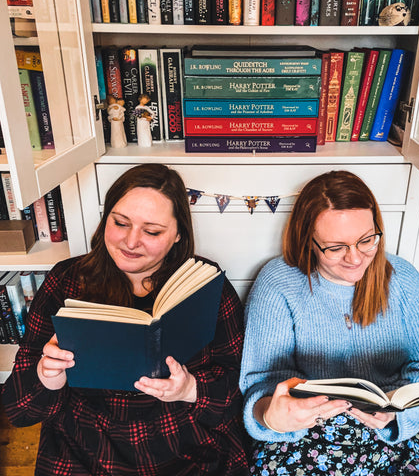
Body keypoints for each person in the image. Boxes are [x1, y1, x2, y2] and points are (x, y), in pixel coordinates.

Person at [2, 163, 249, 475]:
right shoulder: (65, 281)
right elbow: (18, 410)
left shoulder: (203, 282)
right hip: (88, 446)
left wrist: (190, 389)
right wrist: (47, 378)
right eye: (120, 223)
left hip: (183, 444)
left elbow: (237, 387)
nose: (131, 242)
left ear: (177, 236)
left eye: (152, 231)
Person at [240, 170, 419, 476]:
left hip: (387, 439)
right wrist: (272, 416)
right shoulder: (278, 283)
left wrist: (397, 417)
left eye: (366, 240)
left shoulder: (403, 279)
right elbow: (258, 386)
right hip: (300, 439)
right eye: (336, 247)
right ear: (308, 241)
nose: (355, 259)